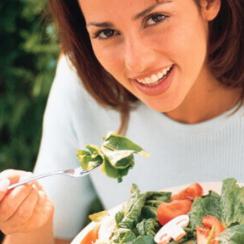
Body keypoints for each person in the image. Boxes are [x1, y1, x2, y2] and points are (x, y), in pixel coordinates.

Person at [1, 0, 244, 243]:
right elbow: (51, 234)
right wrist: (26, 225)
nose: (136, 62)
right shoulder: (80, 84)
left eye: (156, 18)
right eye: (106, 33)